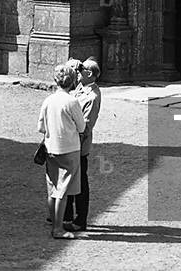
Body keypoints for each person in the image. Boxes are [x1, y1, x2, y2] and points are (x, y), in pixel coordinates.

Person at [37, 63, 86, 240]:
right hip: (69, 148)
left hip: (51, 147)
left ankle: (53, 221)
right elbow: (81, 126)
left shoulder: (48, 100)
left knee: (52, 187)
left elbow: (41, 126)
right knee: (63, 190)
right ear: (72, 81)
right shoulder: (72, 102)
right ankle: (58, 228)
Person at [64, 58, 103, 232]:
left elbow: (86, 127)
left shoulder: (92, 96)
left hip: (78, 146)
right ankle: (65, 215)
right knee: (69, 180)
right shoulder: (80, 87)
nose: (78, 72)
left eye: (81, 70)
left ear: (89, 74)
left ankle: (80, 219)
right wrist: (69, 67)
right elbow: (63, 84)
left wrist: (72, 145)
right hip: (70, 143)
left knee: (80, 184)